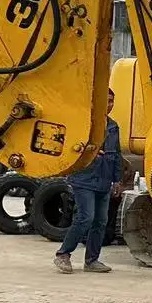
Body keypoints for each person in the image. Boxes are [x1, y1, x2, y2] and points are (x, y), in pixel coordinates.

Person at [55, 89, 128, 274]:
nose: (109, 105)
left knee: (100, 221)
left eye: (112, 101)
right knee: (85, 217)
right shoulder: (83, 123)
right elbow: (69, 146)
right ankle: (63, 255)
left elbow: (117, 154)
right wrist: (90, 150)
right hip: (84, 177)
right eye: (106, 100)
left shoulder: (113, 127)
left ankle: (92, 260)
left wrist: (117, 180)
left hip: (104, 180)